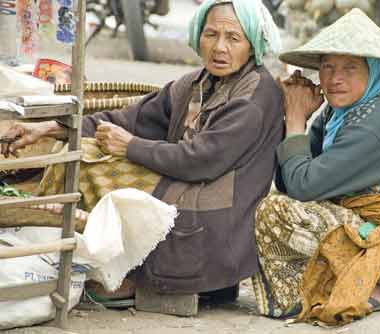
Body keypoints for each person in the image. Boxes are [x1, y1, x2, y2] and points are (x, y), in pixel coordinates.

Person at [1, 0, 284, 314]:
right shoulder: (196, 83)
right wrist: (50, 129)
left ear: (253, 45)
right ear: (197, 36)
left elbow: (200, 160)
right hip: (185, 184)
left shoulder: (255, 97)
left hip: (214, 220)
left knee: (94, 171)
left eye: (233, 38)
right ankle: (64, 258)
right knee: (80, 150)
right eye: (211, 34)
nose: (219, 47)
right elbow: (129, 119)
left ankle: (121, 272)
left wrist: (131, 146)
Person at [251, 9, 380, 325]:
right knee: (275, 205)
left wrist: (295, 119)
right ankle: (325, 288)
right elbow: (290, 180)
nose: (335, 79)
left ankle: (375, 287)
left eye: (350, 68)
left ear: (375, 72)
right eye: (327, 67)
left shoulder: (375, 122)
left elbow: (302, 187)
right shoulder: (340, 113)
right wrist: (301, 119)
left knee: (279, 212)